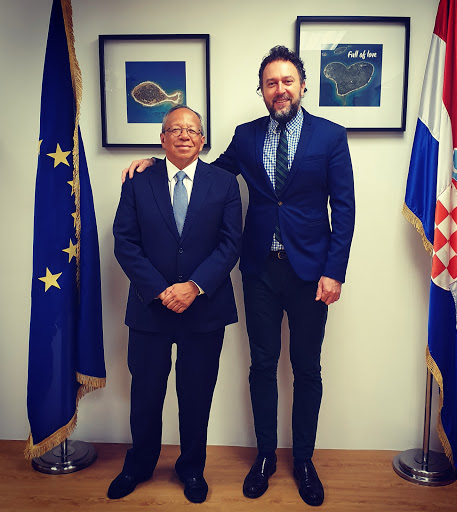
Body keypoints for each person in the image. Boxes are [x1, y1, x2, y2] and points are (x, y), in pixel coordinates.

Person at [122, 45, 355, 507]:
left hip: (312, 274)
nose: (280, 89)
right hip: (259, 270)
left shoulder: (330, 136)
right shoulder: (246, 137)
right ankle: (265, 457)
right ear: (262, 91)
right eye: (271, 83)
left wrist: (334, 271)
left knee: (307, 368)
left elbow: (344, 208)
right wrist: (154, 161)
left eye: (287, 81)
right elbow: (204, 173)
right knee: (262, 365)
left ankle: (303, 461)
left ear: (302, 86)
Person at [109, 105, 242, 503]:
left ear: (202, 140)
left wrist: (194, 286)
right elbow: (125, 241)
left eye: (192, 130)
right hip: (150, 308)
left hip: (204, 308)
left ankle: (192, 469)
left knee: (196, 394)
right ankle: (138, 465)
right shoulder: (138, 181)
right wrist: (160, 289)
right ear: (162, 138)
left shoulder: (224, 183)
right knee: (146, 394)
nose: (185, 135)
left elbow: (230, 243)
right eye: (176, 129)